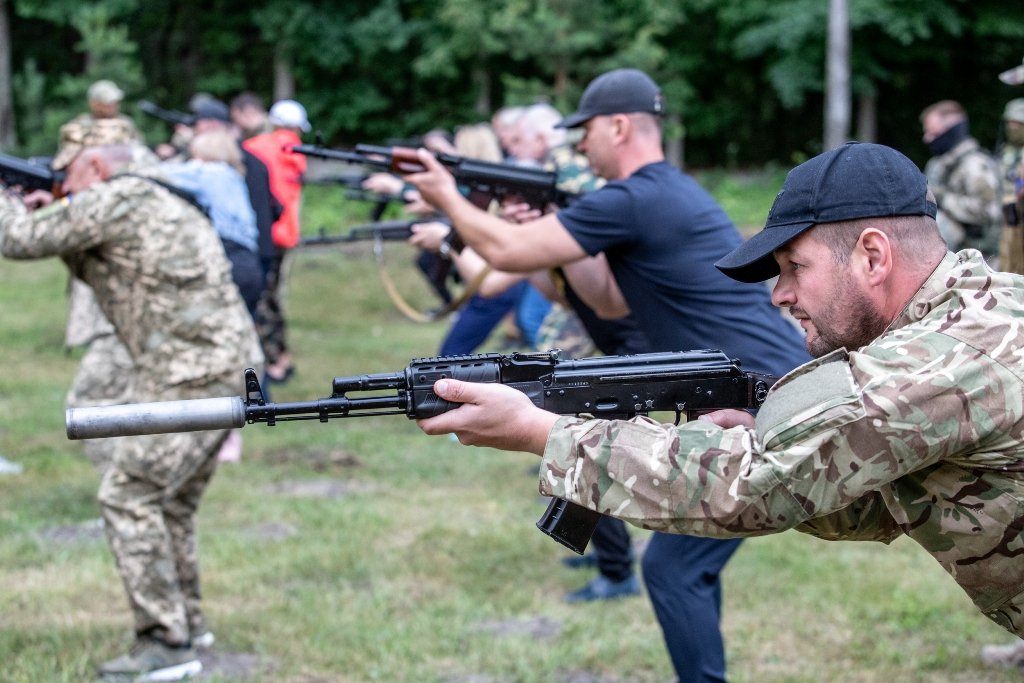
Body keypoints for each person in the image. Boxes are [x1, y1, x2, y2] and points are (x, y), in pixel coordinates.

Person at [415, 141, 1024, 654]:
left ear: (872, 255)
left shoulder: (941, 358)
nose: (780, 295)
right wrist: (767, 440)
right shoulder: (972, 313)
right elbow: (880, 501)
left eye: (794, 266)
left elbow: (749, 488)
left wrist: (542, 433)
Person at [408, 68, 811, 683]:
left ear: (619, 126)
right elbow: (602, 300)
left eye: (586, 130)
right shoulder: (656, 195)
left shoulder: (637, 197)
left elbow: (506, 259)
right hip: (742, 389)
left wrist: (448, 199)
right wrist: (533, 231)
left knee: (675, 568)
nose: (579, 144)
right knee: (687, 564)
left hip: (762, 397)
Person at [0, 143, 264, 681]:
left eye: (66, 173)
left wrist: (6, 199)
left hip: (191, 376)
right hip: (225, 366)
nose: (60, 182)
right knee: (172, 503)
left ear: (96, 168)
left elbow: (15, 239)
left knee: (129, 493)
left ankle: (165, 643)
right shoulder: (156, 194)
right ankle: (187, 623)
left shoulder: (118, 195)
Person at [244, 98, 311, 383]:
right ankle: (280, 358)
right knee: (273, 297)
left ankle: (274, 362)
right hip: (286, 234)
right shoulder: (297, 151)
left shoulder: (256, 147)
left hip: (262, 233)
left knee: (264, 300)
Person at [919, 100, 1002, 263]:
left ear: (951, 130)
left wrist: (942, 199)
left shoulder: (975, 164)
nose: (927, 139)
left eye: (934, 133)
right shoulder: (937, 163)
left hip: (976, 256)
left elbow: (986, 212)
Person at [997, 98, 1024, 275]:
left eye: (1017, 123)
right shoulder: (1004, 151)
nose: (1012, 127)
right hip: (1005, 217)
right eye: (1010, 123)